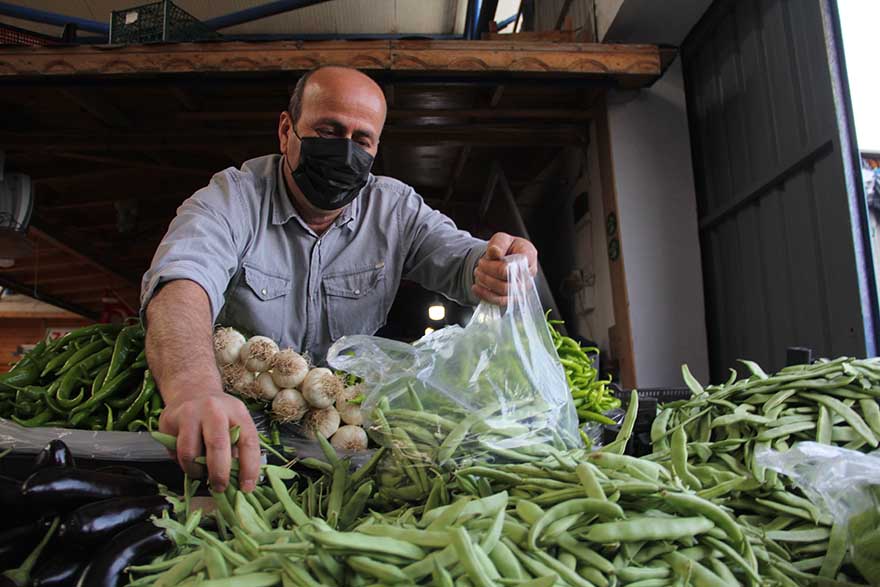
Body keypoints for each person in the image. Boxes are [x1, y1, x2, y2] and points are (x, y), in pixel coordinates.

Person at [141, 66, 538, 493]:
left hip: (348, 438)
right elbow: (182, 284)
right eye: (328, 131)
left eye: (361, 140)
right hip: (240, 440)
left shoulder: (394, 210)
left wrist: (494, 264)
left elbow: (459, 257)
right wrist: (194, 390)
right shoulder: (232, 200)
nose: (345, 152)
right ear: (286, 130)